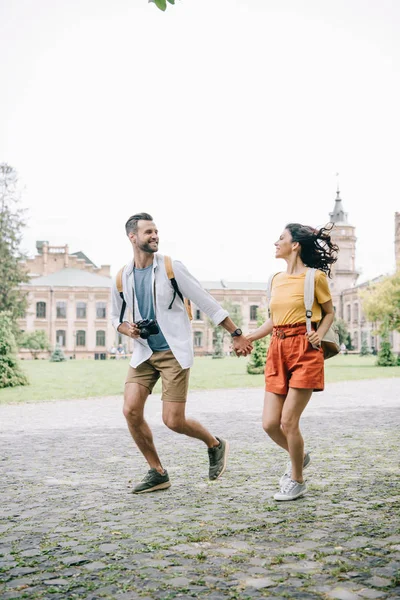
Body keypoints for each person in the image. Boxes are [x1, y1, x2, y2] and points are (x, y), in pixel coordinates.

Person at [111, 212, 252, 494]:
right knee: (130, 410)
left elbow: (205, 300)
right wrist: (128, 330)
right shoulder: (121, 276)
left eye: (156, 231)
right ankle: (157, 472)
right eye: (148, 232)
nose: (154, 236)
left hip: (173, 352)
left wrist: (236, 334)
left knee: (173, 420)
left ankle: (215, 443)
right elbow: (116, 317)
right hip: (143, 352)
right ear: (132, 237)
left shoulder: (170, 267)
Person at [246, 223, 338, 501]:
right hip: (277, 347)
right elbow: (274, 319)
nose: (276, 242)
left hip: (305, 349)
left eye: (281, 238)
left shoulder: (314, 278)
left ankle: (297, 480)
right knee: (269, 423)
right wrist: (249, 336)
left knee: (288, 421)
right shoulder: (275, 279)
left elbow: (330, 313)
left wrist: (319, 334)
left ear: (295, 244)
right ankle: (299, 455)